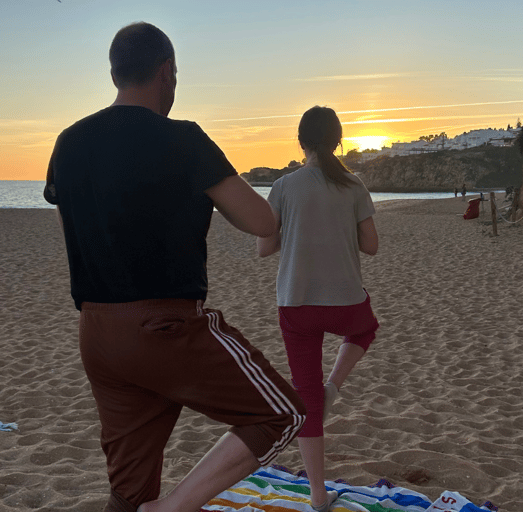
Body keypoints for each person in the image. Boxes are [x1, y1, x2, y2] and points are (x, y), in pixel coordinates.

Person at [44, 22, 306, 512]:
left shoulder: (69, 142)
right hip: (165, 327)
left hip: (97, 332)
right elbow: (260, 220)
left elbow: (72, 228)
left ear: (115, 73)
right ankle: (174, 508)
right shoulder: (184, 139)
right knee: (283, 413)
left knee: (128, 490)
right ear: (167, 72)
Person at [257, 106, 380, 512]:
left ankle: (316, 495)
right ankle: (334, 387)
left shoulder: (284, 186)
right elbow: (371, 245)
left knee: (304, 395)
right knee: (364, 329)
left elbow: (264, 247)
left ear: (301, 141)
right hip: (345, 299)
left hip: (297, 301)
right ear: (338, 140)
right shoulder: (355, 185)